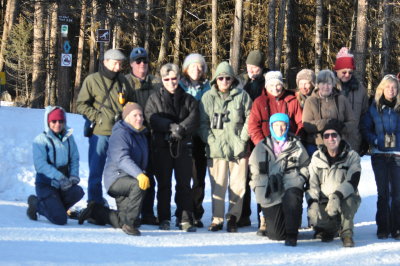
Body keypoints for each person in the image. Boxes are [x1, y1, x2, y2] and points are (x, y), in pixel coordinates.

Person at [78, 103, 150, 236]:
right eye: (135, 115)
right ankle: (130, 225)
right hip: (116, 179)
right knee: (139, 185)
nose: (139, 118)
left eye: (141, 115)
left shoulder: (140, 134)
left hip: (129, 178)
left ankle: (95, 211)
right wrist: (139, 175)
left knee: (121, 221)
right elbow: (122, 158)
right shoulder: (120, 134)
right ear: (127, 117)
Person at [247, 70, 304, 234]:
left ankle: (292, 217)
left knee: (290, 181)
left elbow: (300, 122)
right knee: (264, 181)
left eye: (278, 84)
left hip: (288, 147)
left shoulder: (291, 99)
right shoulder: (259, 102)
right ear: (266, 85)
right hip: (266, 148)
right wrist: (263, 145)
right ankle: (265, 217)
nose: (276, 87)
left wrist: (294, 140)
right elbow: (253, 126)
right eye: (272, 84)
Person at [145, 63, 199, 232]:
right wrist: (170, 126)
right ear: (162, 80)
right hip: (162, 146)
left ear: (179, 79)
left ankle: (184, 217)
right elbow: (151, 118)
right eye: (167, 79)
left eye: (174, 78)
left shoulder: (188, 98)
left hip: (183, 146)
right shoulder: (154, 98)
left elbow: (195, 117)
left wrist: (181, 128)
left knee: (184, 184)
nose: (171, 82)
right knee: (164, 184)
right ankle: (164, 217)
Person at [199, 61, 252, 233]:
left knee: (238, 186)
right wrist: (212, 141)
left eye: (227, 78)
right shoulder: (207, 97)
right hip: (216, 150)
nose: (224, 81)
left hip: (238, 150)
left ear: (232, 79)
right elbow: (202, 123)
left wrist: (242, 140)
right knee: (218, 185)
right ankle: (217, 218)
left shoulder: (242, 96)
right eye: (221, 78)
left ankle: (233, 218)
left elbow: (250, 118)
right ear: (215, 79)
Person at [76, 49, 133, 208]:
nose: (118, 67)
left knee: (122, 171)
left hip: (120, 135)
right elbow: (81, 104)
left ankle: (124, 205)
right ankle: (94, 203)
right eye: (115, 63)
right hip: (99, 134)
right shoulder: (92, 80)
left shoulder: (123, 81)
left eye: (120, 64)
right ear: (105, 62)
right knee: (96, 171)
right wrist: (97, 117)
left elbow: (131, 104)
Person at [249, 113, 309, 246]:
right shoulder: (261, 146)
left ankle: (292, 234)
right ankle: (276, 224)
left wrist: (300, 179)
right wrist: (260, 185)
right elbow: (253, 170)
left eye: (283, 125)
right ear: (270, 127)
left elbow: (306, 165)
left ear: (287, 126)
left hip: (290, 186)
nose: (279, 128)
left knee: (293, 196)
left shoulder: (296, 145)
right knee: (276, 235)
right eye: (276, 125)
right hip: (271, 191)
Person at [308, 119, 361, 247]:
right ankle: (331, 228)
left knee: (348, 202)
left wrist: (337, 196)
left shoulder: (352, 156)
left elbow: (352, 181)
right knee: (320, 221)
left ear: (340, 137)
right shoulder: (316, 157)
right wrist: (312, 203)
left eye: (334, 135)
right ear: (323, 139)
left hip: (344, 197)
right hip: (324, 199)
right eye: (326, 135)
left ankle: (346, 233)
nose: (330, 139)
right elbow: (312, 183)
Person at [27, 106, 84, 225]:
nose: (57, 124)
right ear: (48, 122)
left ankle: (56, 209)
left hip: (64, 184)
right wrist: (59, 177)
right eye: (54, 121)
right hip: (46, 184)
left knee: (78, 191)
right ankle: (36, 204)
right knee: (60, 219)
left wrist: (73, 175)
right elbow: (40, 165)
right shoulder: (41, 140)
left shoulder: (69, 138)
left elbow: (74, 158)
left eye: (61, 121)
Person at [361, 74, 400, 240]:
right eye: (388, 87)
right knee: (383, 193)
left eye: (394, 87)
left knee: (397, 194)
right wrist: (375, 140)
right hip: (379, 155)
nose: (391, 90)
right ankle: (382, 228)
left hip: (397, 155)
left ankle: (396, 228)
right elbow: (365, 128)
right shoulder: (374, 108)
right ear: (382, 89)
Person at [125, 47, 160, 225]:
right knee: (133, 175)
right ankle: (133, 212)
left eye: (145, 61)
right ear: (131, 64)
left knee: (150, 174)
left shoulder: (156, 83)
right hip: (132, 136)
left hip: (151, 136)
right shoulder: (125, 83)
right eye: (138, 61)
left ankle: (147, 212)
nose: (142, 64)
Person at [179, 53, 211, 228]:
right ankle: (183, 212)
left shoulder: (208, 88)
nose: (196, 70)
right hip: (184, 136)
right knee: (184, 177)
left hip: (201, 137)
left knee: (199, 177)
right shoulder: (180, 86)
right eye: (193, 66)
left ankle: (196, 212)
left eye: (200, 67)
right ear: (186, 68)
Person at [238, 50, 269, 228]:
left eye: (255, 67)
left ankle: (262, 215)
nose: (252, 70)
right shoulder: (242, 82)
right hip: (244, 135)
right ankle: (243, 215)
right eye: (249, 67)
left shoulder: (266, 83)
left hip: (261, 136)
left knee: (260, 177)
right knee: (244, 177)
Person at [302, 69, 357, 156]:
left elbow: (353, 122)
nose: (326, 87)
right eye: (323, 83)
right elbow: (307, 124)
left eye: (329, 83)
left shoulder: (342, 99)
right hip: (317, 145)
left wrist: (341, 126)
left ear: (333, 84)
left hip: (338, 144)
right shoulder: (310, 101)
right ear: (318, 85)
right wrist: (327, 123)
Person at [334, 47, 369, 154]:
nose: (347, 75)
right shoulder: (329, 88)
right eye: (344, 72)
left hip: (354, 141)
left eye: (350, 72)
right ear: (337, 71)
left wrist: (364, 139)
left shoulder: (361, 89)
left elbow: (364, 115)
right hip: (333, 140)